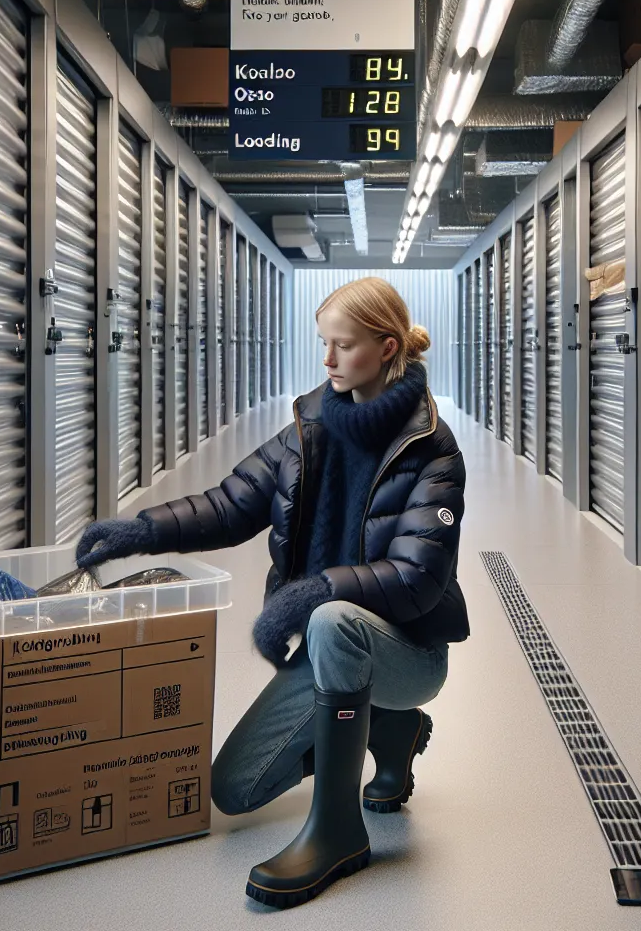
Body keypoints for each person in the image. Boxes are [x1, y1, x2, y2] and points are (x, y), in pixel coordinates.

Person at [74, 276, 469, 908]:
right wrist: (137, 531)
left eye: (342, 346)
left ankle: (338, 831)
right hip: (329, 644)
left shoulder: (432, 451)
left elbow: (417, 579)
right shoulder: (307, 426)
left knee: (335, 619)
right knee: (233, 789)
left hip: (408, 651)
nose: (328, 360)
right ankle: (392, 732)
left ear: (387, 346)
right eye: (324, 344)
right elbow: (230, 505)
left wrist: (307, 596)